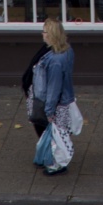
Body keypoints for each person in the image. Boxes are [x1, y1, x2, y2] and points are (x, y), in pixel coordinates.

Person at [34, 16, 76, 172]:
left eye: (44, 32)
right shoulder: (67, 51)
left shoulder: (55, 61)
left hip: (58, 104)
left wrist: (49, 110)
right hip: (66, 99)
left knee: (58, 136)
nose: (42, 35)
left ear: (51, 35)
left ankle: (57, 165)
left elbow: (53, 87)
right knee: (59, 133)